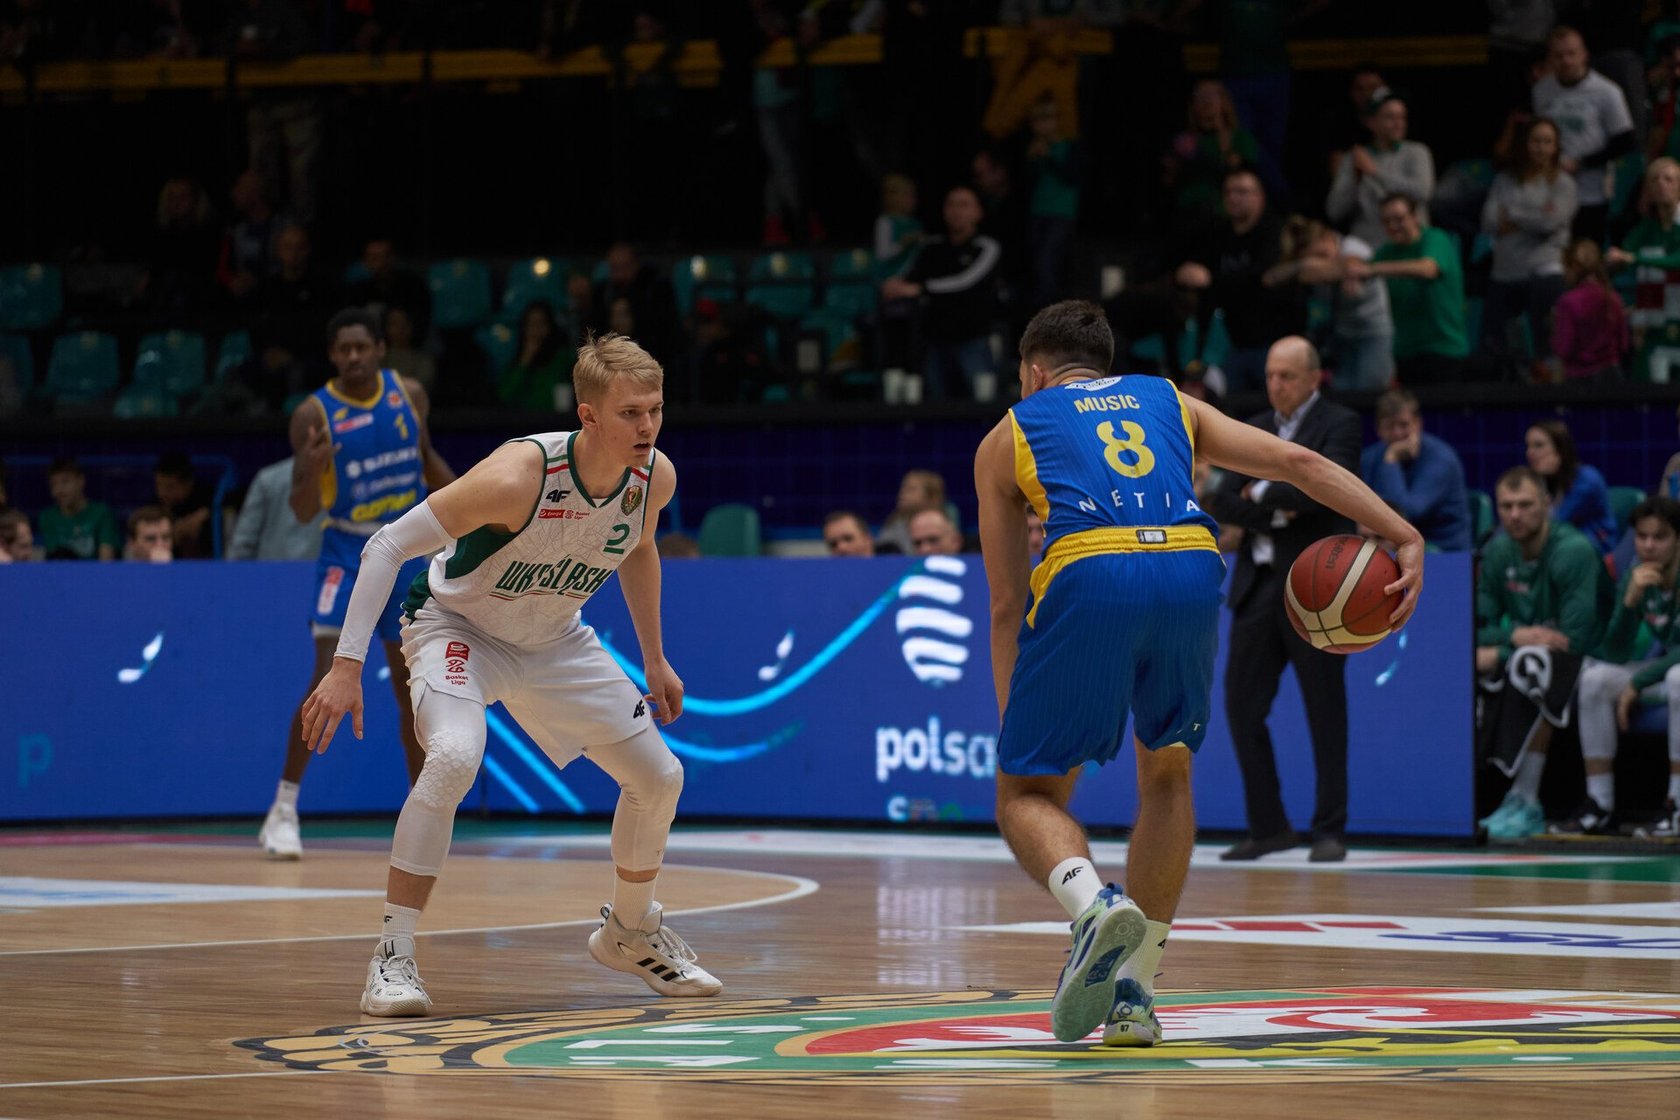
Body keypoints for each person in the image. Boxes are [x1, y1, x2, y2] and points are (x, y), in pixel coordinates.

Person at [974, 301, 1421, 1048]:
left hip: (1091, 566)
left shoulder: (1010, 431)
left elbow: (1003, 602)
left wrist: (1012, 723)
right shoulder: (1169, 400)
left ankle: (1092, 908)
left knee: (1027, 792)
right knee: (1169, 771)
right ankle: (1134, 995)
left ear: (1036, 372)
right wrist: (1400, 532)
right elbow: (1300, 463)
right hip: (1190, 562)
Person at [299, 332, 723, 1017]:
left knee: (660, 777)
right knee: (454, 757)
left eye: (655, 410)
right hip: (457, 628)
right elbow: (385, 546)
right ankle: (392, 958)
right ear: (588, 416)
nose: (647, 426)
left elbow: (640, 548)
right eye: (630, 413)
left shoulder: (654, 478)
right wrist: (347, 665)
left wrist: (654, 656)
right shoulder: (517, 478)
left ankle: (630, 932)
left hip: (553, 639)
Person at [258, 308, 455, 861]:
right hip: (347, 551)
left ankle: (423, 814)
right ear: (331, 355)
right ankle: (283, 809)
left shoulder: (409, 395)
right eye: (342, 350)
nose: (352, 357)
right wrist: (309, 466)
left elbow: (427, 459)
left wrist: (476, 510)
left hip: (407, 546)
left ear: (380, 349)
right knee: (326, 675)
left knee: (412, 686)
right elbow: (302, 510)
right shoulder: (312, 414)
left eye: (361, 347)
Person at [1205, 336, 1365, 863]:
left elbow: (1323, 489)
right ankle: (1269, 826)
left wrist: (1260, 493)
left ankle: (1329, 828)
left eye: (1287, 376)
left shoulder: (1340, 424)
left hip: (1317, 588)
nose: (1276, 385)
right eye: (1271, 375)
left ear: (1314, 378)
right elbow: (1220, 498)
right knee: (1240, 706)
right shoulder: (1254, 427)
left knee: (1325, 707)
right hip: (1257, 584)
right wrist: (1279, 506)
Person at [1475, 467, 1614, 840]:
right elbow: (1475, 627)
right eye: (1506, 506)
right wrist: (1514, 636)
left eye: (1525, 505)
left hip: (1597, 658)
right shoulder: (1499, 551)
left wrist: (1503, 651)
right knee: (1495, 662)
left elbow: (1574, 640)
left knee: (1531, 664)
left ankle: (1526, 800)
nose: (1515, 515)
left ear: (1547, 504)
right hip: (1535, 655)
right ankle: (1475, 796)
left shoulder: (1573, 551)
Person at [1571, 496, 1680, 837]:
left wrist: (1636, 683)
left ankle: (1676, 805)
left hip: (1673, 672)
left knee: (1678, 678)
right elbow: (1615, 652)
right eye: (1642, 536)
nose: (1648, 546)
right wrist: (1630, 602)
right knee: (1594, 679)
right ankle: (1600, 805)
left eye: (1659, 537)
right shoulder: (1637, 575)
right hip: (1663, 671)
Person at [1174, 167, 1304, 396]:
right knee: (1230, 407)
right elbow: (1201, 272)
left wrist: (1211, 279)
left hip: (1273, 343)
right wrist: (1186, 272)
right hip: (1233, 343)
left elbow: (1262, 278)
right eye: (1229, 192)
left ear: (1260, 196)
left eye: (1242, 192)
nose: (1233, 198)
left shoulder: (1275, 233)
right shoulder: (1220, 235)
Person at [882, 186, 1003, 402]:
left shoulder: (986, 247)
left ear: (978, 212)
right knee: (936, 406)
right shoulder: (931, 247)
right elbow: (908, 278)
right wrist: (895, 285)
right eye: (951, 205)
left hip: (973, 340)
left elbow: (966, 281)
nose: (957, 211)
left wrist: (922, 289)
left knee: (982, 408)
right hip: (934, 341)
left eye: (964, 205)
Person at [1479, 117, 1576, 370]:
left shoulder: (1563, 184)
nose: (1541, 148)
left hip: (1544, 269)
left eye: (1547, 142)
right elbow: (1488, 220)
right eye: (1535, 141)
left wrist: (1511, 215)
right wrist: (1534, 217)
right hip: (1505, 271)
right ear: (1525, 144)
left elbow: (1550, 223)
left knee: (1547, 344)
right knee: (1494, 346)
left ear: (1556, 147)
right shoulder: (1505, 180)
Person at [1532, 25, 1636, 244]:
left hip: (1592, 191)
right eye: (1559, 56)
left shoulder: (1607, 92)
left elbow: (1624, 141)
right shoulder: (1541, 91)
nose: (1566, 61)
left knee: (1586, 251)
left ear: (1584, 54)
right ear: (1550, 59)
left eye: (1571, 54)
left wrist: (1582, 163)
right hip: (1551, 190)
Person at [1354, 194, 1469, 386]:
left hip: (1443, 348)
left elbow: (1428, 269)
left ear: (1415, 217)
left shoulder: (1435, 238)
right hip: (1405, 351)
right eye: (1386, 221)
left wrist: (1372, 270)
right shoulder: (1387, 252)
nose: (1393, 226)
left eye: (1399, 219)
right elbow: (1361, 269)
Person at [1359, 389, 1471, 551]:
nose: (1397, 434)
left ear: (1418, 423)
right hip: (1389, 545)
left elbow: (1405, 514)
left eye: (1404, 425)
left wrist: (1391, 460)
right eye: (1389, 427)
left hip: (1442, 550)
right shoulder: (1370, 458)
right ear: (1378, 429)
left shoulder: (1441, 459)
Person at [1326, 87, 1436, 251]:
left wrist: (1375, 172)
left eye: (1402, 117)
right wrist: (1355, 181)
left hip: (1410, 245)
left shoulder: (1417, 152)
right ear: (1371, 122)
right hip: (1368, 245)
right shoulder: (1355, 158)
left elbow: (1423, 192)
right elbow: (1334, 212)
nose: (1399, 124)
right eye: (1390, 117)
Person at [1607, 158, 1680, 384]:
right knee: (1650, 390)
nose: (1661, 184)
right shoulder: (1645, 230)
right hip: (1656, 327)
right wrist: (1614, 262)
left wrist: (1634, 258)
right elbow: (1621, 259)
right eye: (1654, 180)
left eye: (1668, 179)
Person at [1525, 419, 1618, 554]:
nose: (1530, 453)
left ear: (1560, 449)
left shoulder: (1587, 479)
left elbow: (1553, 524)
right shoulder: (1543, 481)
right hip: (1557, 552)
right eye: (1528, 446)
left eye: (1538, 445)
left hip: (1595, 553)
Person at [1552, 238, 1630, 381]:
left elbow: (1565, 348)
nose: (1563, 273)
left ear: (1574, 267)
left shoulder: (1568, 302)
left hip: (1579, 380)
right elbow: (1623, 343)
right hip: (1612, 377)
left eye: (1565, 267)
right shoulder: (1613, 297)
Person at [227, 456, 326, 562]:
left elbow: (241, 546)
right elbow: (242, 545)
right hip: (270, 570)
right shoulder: (267, 480)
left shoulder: (267, 479)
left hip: (273, 569)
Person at [497, 301, 577, 413]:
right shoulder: (517, 362)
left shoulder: (563, 359)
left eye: (541, 323)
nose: (536, 330)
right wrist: (525, 360)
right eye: (531, 324)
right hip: (523, 419)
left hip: (555, 419)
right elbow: (505, 396)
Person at [39, 457, 119, 560]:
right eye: (54, 484)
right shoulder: (47, 517)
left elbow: (106, 561)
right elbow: (54, 560)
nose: (59, 490)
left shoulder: (102, 514)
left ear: (81, 481)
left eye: (65, 482)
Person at [152, 452, 214, 559]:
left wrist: (204, 515)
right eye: (159, 485)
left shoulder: (209, 499)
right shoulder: (154, 504)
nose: (162, 493)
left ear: (188, 484)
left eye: (169, 487)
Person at [878, 469, 950, 554]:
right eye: (903, 488)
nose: (902, 493)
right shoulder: (894, 523)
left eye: (910, 489)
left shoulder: (944, 522)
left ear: (931, 495)